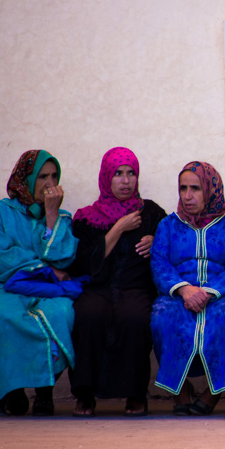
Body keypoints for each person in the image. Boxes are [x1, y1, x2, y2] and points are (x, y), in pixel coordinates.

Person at [0, 150, 79, 416]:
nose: (49, 183)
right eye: (43, 176)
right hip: (4, 287)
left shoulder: (62, 218)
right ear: (26, 178)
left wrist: (52, 216)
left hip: (46, 291)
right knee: (3, 317)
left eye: (54, 176)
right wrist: (44, 268)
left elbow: (64, 260)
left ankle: (45, 392)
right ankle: (14, 390)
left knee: (61, 312)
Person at [67, 147, 166, 417]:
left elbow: (175, 243)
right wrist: (119, 227)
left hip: (136, 288)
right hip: (96, 288)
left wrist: (157, 242)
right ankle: (85, 395)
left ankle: (135, 394)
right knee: (88, 314)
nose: (125, 180)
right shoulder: (87, 217)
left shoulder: (152, 214)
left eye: (131, 173)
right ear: (106, 178)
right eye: (118, 174)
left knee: (135, 317)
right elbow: (83, 263)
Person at [150, 161, 225, 415]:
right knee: (163, 317)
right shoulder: (168, 226)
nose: (188, 195)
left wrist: (208, 292)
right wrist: (184, 289)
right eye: (183, 188)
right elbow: (159, 263)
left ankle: (212, 395)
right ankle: (180, 393)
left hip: (220, 295)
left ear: (210, 190)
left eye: (195, 188)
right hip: (178, 295)